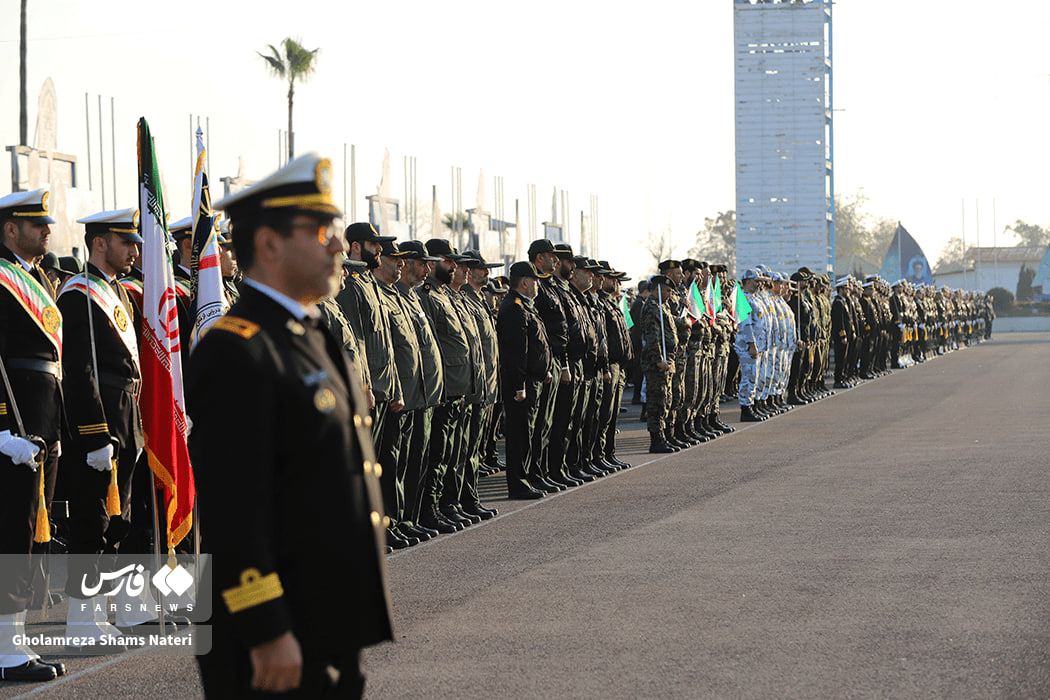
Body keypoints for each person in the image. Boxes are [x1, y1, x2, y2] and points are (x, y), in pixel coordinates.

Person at [187, 153, 392, 698]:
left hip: (325, 619)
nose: (337, 245)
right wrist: (266, 628)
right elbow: (233, 509)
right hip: (274, 636)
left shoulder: (312, 336)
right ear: (270, 243)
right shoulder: (236, 350)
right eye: (321, 229)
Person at [57, 208, 145, 645]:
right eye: (126, 241)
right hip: (101, 420)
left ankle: (98, 614)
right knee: (91, 519)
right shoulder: (79, 293)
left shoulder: (116, 292)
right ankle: (80, 619)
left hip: (126, 414)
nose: (134, 250)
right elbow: (78, 368)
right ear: (99, 243)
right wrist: (95, 433)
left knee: (116, 519)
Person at [0, 189, 66, 683]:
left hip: (41, 419)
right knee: (10, 532)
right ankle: (7, 651)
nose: (47, 230)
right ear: (9, 230)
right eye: (36, 224)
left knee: (27, 534)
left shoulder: (35, 278)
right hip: (14, 421)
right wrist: (1, 430)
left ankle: (15, 642)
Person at [496, 262, 552, 498]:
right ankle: (518, 484)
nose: (538, 284)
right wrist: (519, 385)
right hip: (522, 384)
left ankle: (526, 478)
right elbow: (516, 351)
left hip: (533, 380)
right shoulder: (514, 308)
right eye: (536, 280)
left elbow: (537, 344)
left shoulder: (526, 307)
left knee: (528, 433)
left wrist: (545, 368)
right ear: (525, 282)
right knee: (519, 435)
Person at [640, 274, 679, 452]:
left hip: (666, 361)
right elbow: (652, 337)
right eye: (668, 290)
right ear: (657, 289)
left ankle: (664, 435)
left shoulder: (662, 306)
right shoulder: (652, 307)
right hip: (657, 364)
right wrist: (658, 360)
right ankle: (656, 440)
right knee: (657, 402)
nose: (670, 294)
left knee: (666, 400)